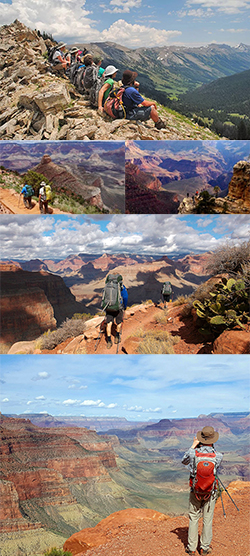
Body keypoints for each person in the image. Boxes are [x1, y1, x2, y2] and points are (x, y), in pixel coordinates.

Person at [182, 426, 223, 555]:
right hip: (210, 492)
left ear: (200, 439)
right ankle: (204, 548)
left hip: (196, 491)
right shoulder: (218, 456)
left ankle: (192, 548)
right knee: (207, 519)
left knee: (194, 518)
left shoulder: (194, 453)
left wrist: (193, 446)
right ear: (213, 439)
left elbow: (184, 461)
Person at [102, 274, 128, 349]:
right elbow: (125, 297)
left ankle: (109, 341)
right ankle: (117, 337)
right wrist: (125, 306)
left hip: (109, 307)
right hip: (118, 308)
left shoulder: (107, 286)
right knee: (119, 322)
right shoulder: (121, 287)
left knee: (109, 323)